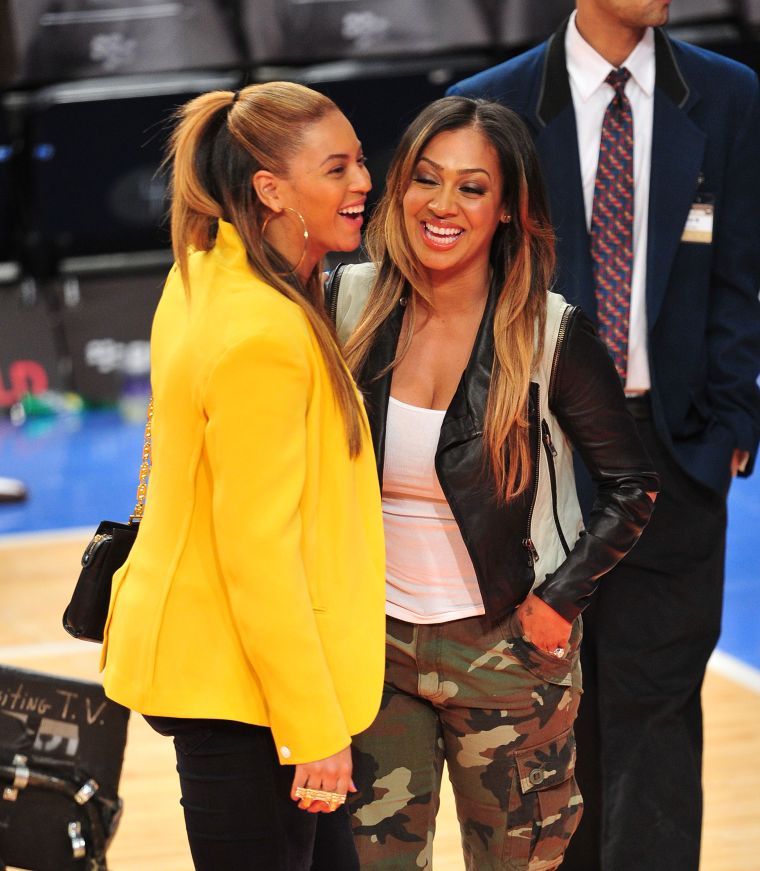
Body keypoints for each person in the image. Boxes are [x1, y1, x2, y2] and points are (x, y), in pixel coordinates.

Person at [447, 3, 760, 869]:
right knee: (554, 719)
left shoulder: (731, 95)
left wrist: (734, 416)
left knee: (660, 715)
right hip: (538, 452)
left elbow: (740, 268)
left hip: (676, 449)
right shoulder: (491, 105)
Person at [326, 95, 658, 871]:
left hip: (507, 657)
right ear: (399, 187)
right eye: (426, 180)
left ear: (507, 209)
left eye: (472, 188)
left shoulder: (550, 331)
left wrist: (561, 597)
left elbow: (632, 485)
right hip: (375, 653)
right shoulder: (345, 302)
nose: (443, 205)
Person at [98, 81, 386, 871]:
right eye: (336, 169)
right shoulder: (263, 331)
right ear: (270, 188)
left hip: (227, 675)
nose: (363, 183)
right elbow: (259, 554)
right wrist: (313, 730)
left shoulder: (201, 273)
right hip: (247, 694)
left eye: (360, 162)